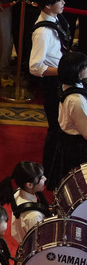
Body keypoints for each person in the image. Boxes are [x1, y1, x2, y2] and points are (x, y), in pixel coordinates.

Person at [28, 0, 71, 129]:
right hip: (53, 83)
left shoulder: (57, 19)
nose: (63, 2)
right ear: (48, 5)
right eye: (59, 0)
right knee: (56, 126)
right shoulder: (43, 33)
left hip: (61, 77)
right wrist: (64, 70)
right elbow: (34, 67)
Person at [43, 52, 87, 189]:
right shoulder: (76, 101)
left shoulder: (66, 86)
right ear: (77, 73)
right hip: (76, 148)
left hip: (67, 141)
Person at [0, 161, 50, 245]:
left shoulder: (18, 192)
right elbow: (39, 243)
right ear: (29, 185)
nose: (45, 178)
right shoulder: (34, 216)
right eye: (41, 178)